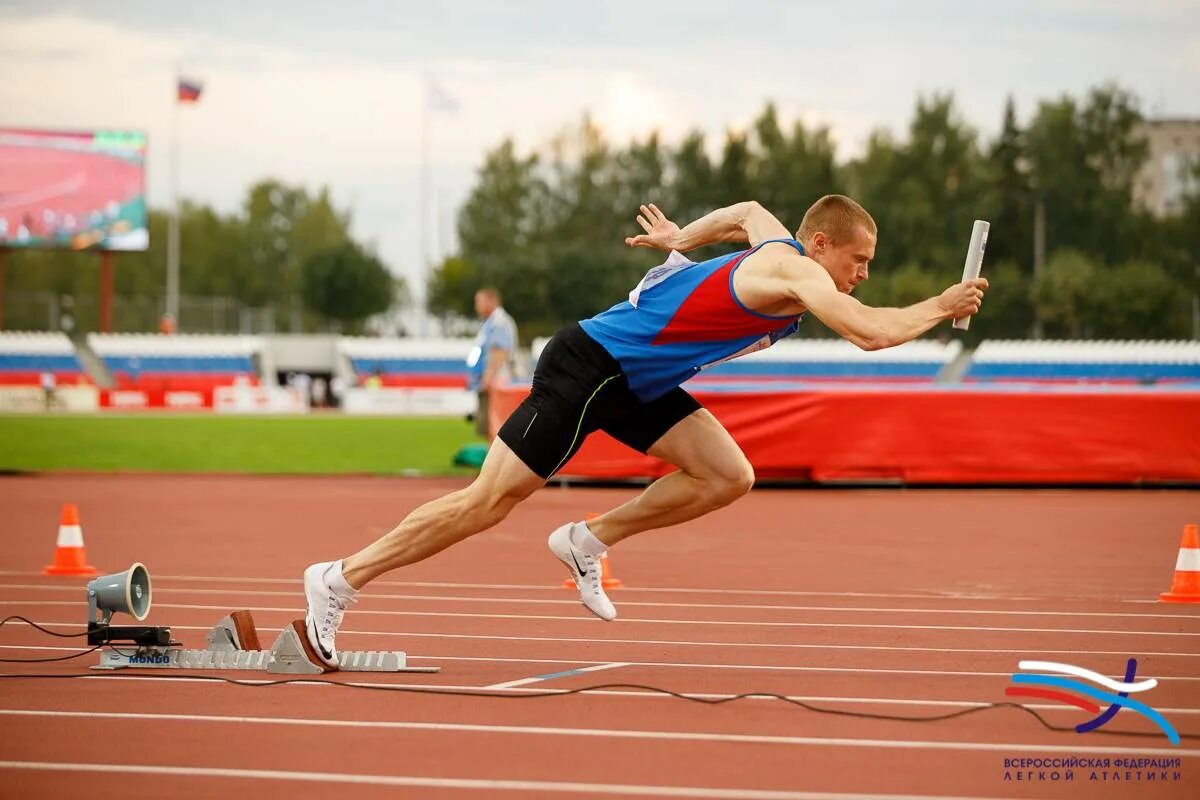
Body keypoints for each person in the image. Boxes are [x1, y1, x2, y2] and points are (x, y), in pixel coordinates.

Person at [300, 195, 988, 669]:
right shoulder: (795, 269)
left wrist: (680, 241)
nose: (863, 275)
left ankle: (584, 541)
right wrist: (941, 304)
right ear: (821, 243)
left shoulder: (776, 243)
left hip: (638, 382)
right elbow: (870, 333)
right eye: (858, 260)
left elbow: (745, 211)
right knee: (488, 502)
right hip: (591, 364)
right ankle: (338, 579)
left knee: (727, 475)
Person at [466, 287, 518, 441]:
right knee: (491, 429)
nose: (476, 305)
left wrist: (487, 380)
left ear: (491, 301)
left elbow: (499, 354)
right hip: (495, 382)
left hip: (497, 383)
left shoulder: (499, 323)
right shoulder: (490, 323)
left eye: (479, 301)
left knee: (495, 429)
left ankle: (495, 465)